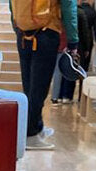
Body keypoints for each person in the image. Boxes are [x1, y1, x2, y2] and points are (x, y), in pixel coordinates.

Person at [11, 0, 80, 149]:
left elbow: (12, 5)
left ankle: (37, 126)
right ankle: (31, 135)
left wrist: (18, 28)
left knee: (29, 86)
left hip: (23, 35)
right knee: (39, 88)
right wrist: (73, 40)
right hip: (46, 34)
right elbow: (69, 7)